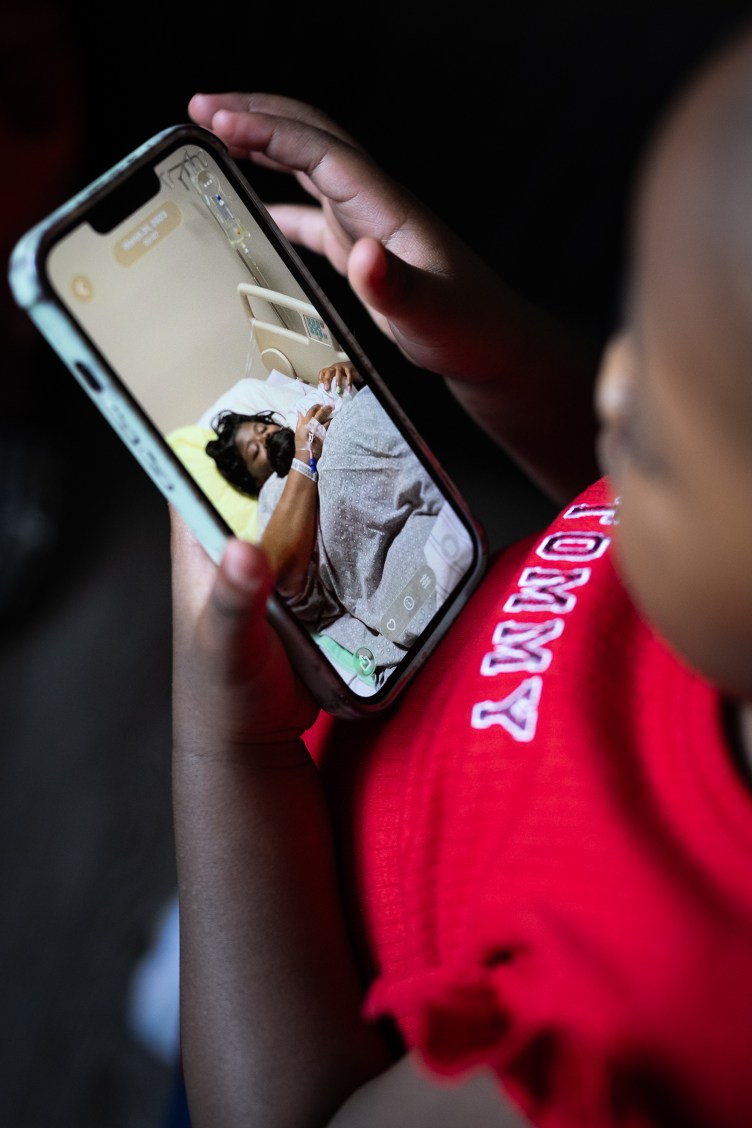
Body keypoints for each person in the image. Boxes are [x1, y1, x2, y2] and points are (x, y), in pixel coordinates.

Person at [169, 20, 752, 1128]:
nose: (611, 389)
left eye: (663, 431)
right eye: (638, 332)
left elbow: (289, 1109)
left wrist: (228, 748)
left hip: (303, 966)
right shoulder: (720, 565)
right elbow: (627, 504)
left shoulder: (641, 1022)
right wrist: (484, 342)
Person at [206, 358, 456, 688]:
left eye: (262, 428)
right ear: (254, 480)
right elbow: (279, 573)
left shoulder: (326, 412)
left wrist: (355, 370)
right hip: (403, 549)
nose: (266, 437)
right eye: (255, 451)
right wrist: (304, 456)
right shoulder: (273, 501)